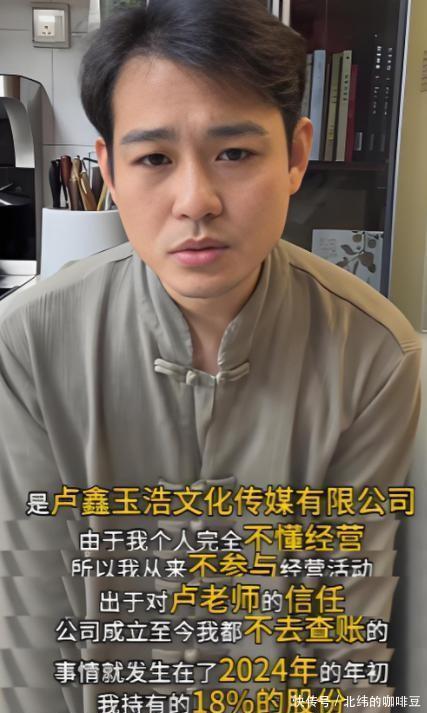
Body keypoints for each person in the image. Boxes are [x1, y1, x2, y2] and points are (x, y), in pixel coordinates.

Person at [0, 1, 421, 711]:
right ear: (109, 169)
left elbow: (349, 638)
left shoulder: (375, 353)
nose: (195, 201)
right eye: (154, 159)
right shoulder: (27, 343)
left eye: (234, 154)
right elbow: (31, 638)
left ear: (295, 156)